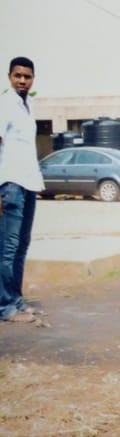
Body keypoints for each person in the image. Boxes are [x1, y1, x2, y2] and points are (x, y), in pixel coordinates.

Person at [0, 57, 43, 322]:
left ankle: (16, 300)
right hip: (11, 184)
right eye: (18, 76)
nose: (22, 81)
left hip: (29, 183)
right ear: (9, 76)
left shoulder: (28, 105)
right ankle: (5, 307)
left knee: (22, 245)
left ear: (33, 78)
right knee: (7, 247)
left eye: (27, 76)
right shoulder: (5, 103)